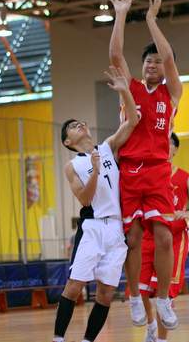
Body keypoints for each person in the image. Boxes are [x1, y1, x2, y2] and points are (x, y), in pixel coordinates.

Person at [109, 0, 182, 329]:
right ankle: (135, 296)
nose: (153, 65)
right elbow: (115, 54)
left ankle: (163, 298)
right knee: (134, 239)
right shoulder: (131, 87)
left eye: (157, 62)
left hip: (156, 171)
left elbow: (168, 56)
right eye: (148, 61)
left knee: (165, 237)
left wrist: (152, 21)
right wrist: (121, 13)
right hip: (129, 170)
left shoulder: (172, 93)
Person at [52, 66, 138, 342]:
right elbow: (85, 198)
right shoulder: (73, 165)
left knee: (106, 294)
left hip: (116, 230)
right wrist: (95, 171)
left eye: (80, 122)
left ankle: (88, 340)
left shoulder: (108, 146)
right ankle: (58, 339)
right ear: (68, 140)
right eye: (72, 126)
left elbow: (134, 119)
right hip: (92, 228)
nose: (79, 125)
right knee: (75, 286)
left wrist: (125, 89)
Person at [140, 133, 189, 342]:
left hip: (174, 238)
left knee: (166, 294)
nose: (165, 147)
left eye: (169, 144)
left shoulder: (184, 177)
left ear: (175, 150)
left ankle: (161, 339)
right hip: (148, 234)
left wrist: (187, 213)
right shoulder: (145, 174)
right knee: (142, 290)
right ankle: (151, 325)